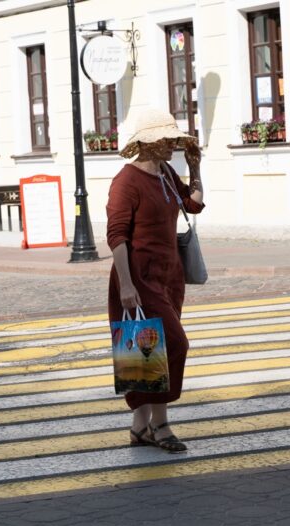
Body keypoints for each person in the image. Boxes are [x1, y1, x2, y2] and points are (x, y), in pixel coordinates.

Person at [106, 109, 204, 453]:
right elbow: (116, 235)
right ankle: (161, 426)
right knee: (173, 345)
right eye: (166, 140)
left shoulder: (165, 172)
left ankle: (140, 428)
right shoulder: (126, 181)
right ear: (146, 143)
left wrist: (194, 169)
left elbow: (193, 205)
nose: (172, 146)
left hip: (168, 273)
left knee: (148, 350)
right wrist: (127, 285)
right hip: (139, 275)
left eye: (174, 140)